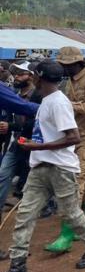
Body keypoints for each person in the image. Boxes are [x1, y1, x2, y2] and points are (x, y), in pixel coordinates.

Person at [0, 61, 85, 272]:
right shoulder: (47, 101)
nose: (30, 77)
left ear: (39, 78)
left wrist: (36, 147)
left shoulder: (58, 103)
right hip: (40, 167)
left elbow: (74, 137)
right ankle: (18, 269)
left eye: (33, 75)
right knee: (25, 215)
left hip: (60, 168)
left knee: (70, 213)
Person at [46, 47, 85, 254]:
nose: (62, 69)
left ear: (77, 63)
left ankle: (68, 233)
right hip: (76, 135)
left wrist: (65, 104)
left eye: (65, 65)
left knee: (75, 178)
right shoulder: (69, 81)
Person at [0, 62, 41, 226]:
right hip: (17, 141)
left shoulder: (37, 94)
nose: (17, 76)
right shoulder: (13, 92)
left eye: (21, 73)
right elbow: (21, 108)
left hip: (30, 142)